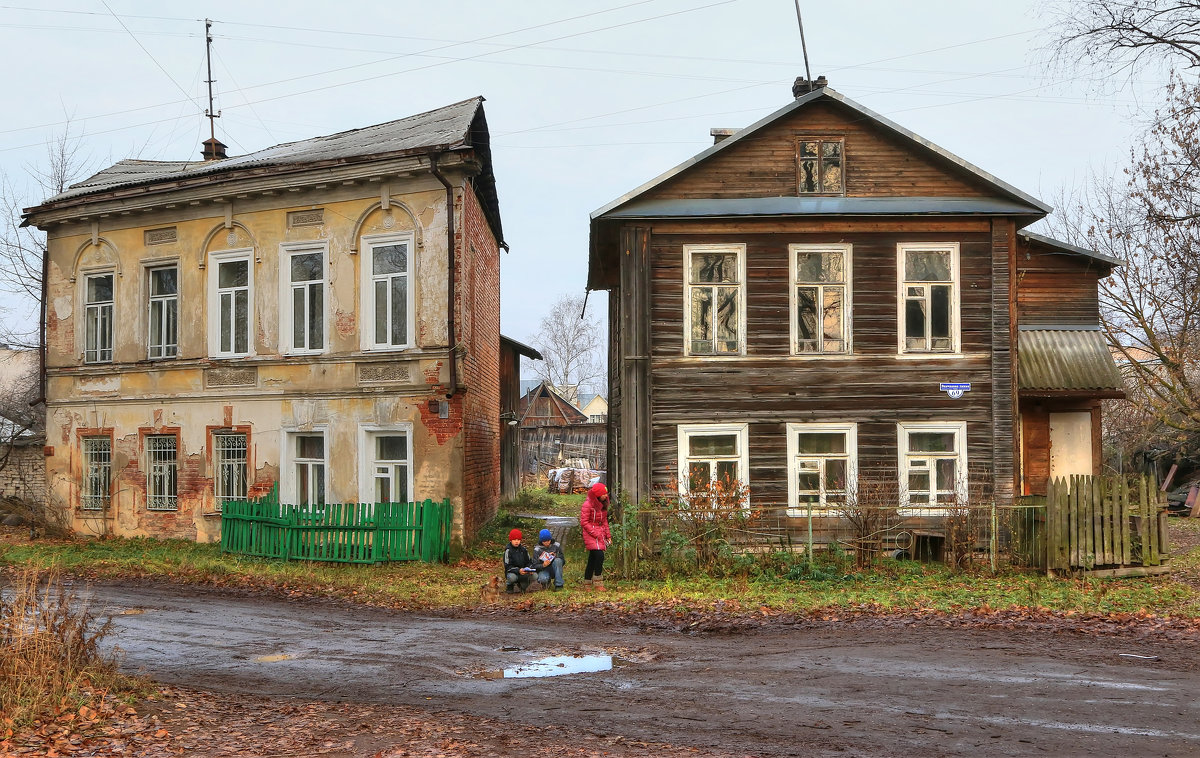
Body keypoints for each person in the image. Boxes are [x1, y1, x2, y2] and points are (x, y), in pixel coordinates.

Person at [579, 482, 611, 591]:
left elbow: (604, 521)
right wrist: (594, 532)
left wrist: (608, 535)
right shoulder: (587, 505)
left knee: (592, 559)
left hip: (600, 533)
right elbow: (584, 522)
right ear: (597, 494)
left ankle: (587, 582)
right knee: (599, 556)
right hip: (590, 534)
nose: (606, 496)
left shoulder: (603, 504)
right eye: (604, 494)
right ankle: (598, 583)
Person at [502, 528, 537, 594]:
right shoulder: (508, 551)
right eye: (514, 540)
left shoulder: (524, 550)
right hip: (512, 572)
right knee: (512, 578)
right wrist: (518, 570)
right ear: (511, 540)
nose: (516, 541)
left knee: (535, 576)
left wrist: (530, 569)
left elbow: (529, 561)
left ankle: (523, 585)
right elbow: (507, 566)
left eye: (518, 540)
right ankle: (510, 585)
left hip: (524, 571)